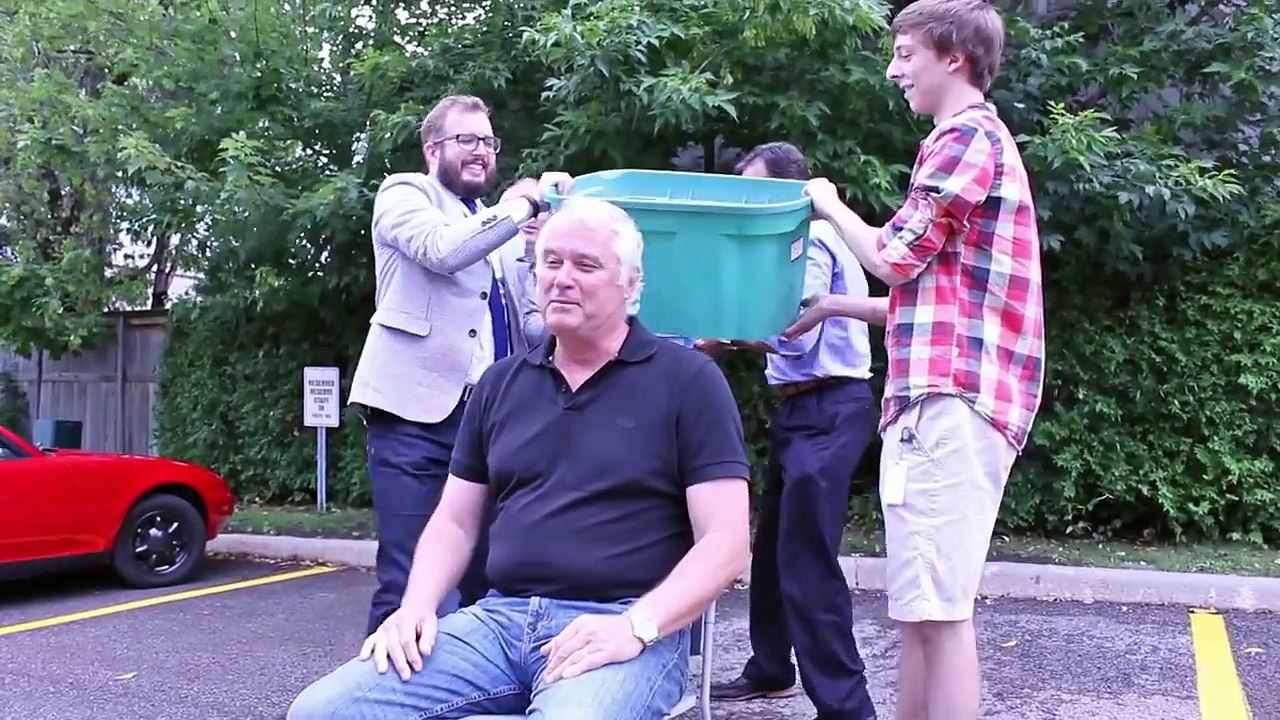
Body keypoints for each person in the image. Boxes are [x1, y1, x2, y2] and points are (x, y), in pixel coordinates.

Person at [288, 196, 752, 720]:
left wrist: (636, 627)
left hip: (623, 625)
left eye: (586, 265)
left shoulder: (688, 381)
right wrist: (415, 607)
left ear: (631, 285)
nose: (562, 278)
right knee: (322, 711)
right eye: (551, 262)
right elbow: (455, 521)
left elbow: (726, 543)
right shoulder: (500, 384)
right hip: (497, 623)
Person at [790, 2, 1046, 719]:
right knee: (918, 612)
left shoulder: (965, 137)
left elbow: (893, 258)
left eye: (906, 54)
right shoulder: (966, 141)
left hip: (951, 401)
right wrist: (832, 306)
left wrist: (828, 203)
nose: (893, 70)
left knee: (939, 613)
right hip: (933, 398)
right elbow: (927, 302)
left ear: (953, 58)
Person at [347, 93, 570, 636]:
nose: (481, 151)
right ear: (433, 149)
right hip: (413, 419)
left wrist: (549, 257)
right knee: (411, 582)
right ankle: (385, 684)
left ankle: (466, 682)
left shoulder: (499, 231)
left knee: (489, 579)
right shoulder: (404, 193)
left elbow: (533, 329)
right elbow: (443, 251)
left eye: (489, 142)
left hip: (489, 426)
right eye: (466, 139)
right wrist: (525, 204)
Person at [699, 142, 878, 720]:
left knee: (806, 559)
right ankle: (771, 669)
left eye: (758, 189)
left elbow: (797, 330)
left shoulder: (813, 239)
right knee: (774, 547)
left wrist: (721, 338)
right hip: (802, 410)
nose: (749, 201)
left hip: (830, 406)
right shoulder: (785, 246)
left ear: (790, 191)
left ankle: (848, 709)